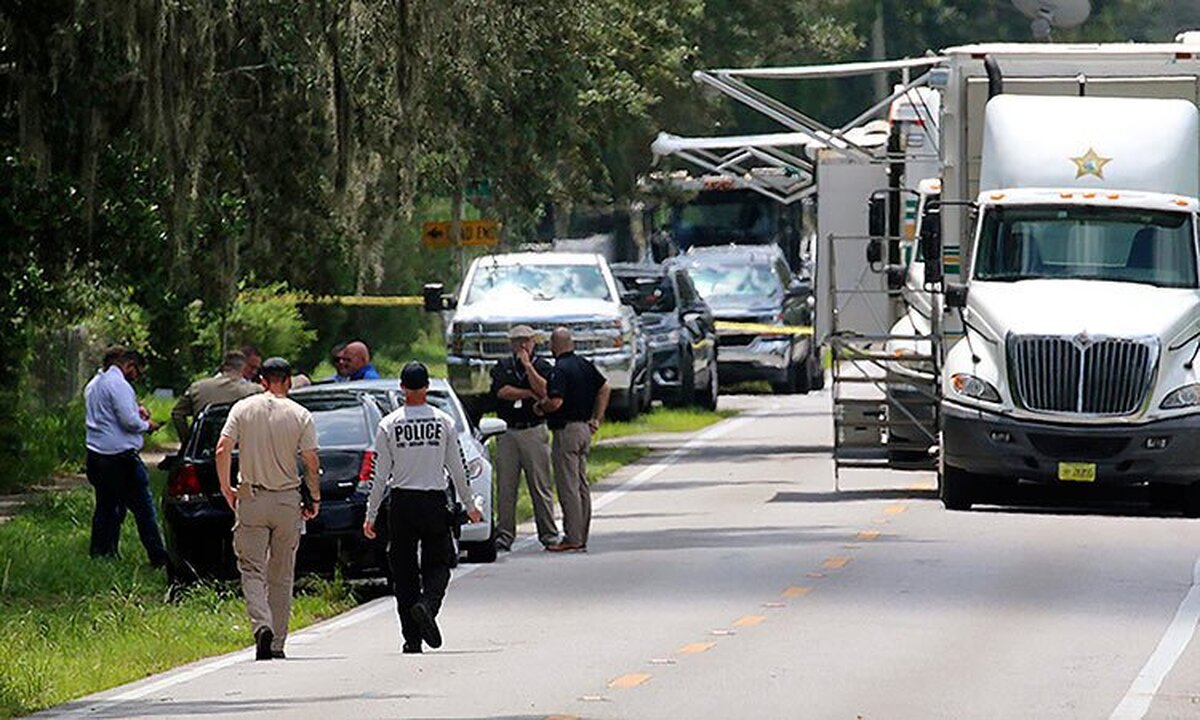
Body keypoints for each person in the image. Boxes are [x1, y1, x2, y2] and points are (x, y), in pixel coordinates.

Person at [363, 361, 482, 654]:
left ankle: (411, 638)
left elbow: (380, 476)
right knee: (439, 563)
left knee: (403, 571)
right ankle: (428, 605)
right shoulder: (443, 422)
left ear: (402, 388)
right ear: (427, 387)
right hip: (433, 500)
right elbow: (457, 468)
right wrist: (469, 505)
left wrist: (371, 515)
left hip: (402, 503)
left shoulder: (389, 424)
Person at [216, 357, 321, 661]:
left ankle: (261, 624)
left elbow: (223, 448)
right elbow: (311, 460)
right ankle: (277, 642)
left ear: (262, 381)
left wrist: (226, 486)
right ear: (288, 381)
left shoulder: (243, 408)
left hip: (251, 498)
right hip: (287, 500)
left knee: (251, 568)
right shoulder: (300, 414)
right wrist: (313, 496)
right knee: (282, 572)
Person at [83, 346, 169, 567]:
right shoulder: (119, 384)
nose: (136, 377)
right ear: (128, 364)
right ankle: (158, 557)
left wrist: (135, 409)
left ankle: (102, 553)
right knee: (144, 509)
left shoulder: (94, 384)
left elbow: (111, 415)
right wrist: (147, 425)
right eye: (137, 371)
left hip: (96, 455)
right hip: (120, 458)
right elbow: (129, 422)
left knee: (106, 507)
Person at [538, 328, 610, 553]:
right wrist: (596, 418)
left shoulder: (559, 370)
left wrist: (541, 406)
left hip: (566, 430)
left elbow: (556, 402)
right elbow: (604, 388)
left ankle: (573, 537)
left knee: (568, 485)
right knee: (581, 484)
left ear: (555, 345)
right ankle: (582, 534)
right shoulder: (584, 365)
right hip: (584, 428)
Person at [489, 325, 558, 550]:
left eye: (526, 341)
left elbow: (546, 390)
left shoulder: (542, 366)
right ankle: (505, 534)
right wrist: (528, 393)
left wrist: (528, 367)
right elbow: (502, 391)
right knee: (506, 486)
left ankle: (548, 533)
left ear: (533, 342)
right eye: (517, 341)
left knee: (540, 484)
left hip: (533, 429)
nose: (522, 345)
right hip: (508, 430)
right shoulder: (503, 366)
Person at [170, 351, 263, 444]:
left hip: (203, 446)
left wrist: (188, 441)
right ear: (243, 368)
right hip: (240, 447)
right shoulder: (256, 391)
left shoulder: (197, 388)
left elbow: (177, 413)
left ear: (223, 367)